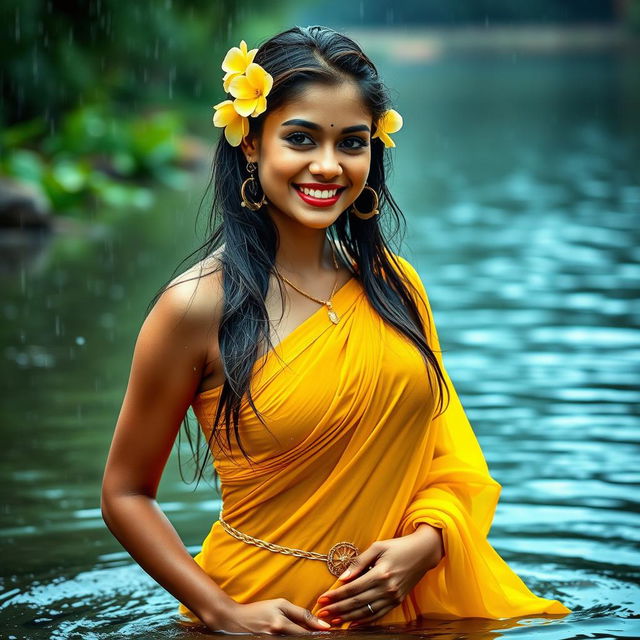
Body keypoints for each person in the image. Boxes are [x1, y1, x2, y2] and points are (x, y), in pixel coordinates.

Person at [101, 25, 571, 635]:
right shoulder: (195, 307)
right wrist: (224, 613)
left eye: (352, 142)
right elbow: (125, 493)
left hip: (405, 612)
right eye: (300, 138)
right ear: (252, 143)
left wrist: (426, 545)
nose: (328, 165)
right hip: (259, 619)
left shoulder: (396, 287)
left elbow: (448, 459)